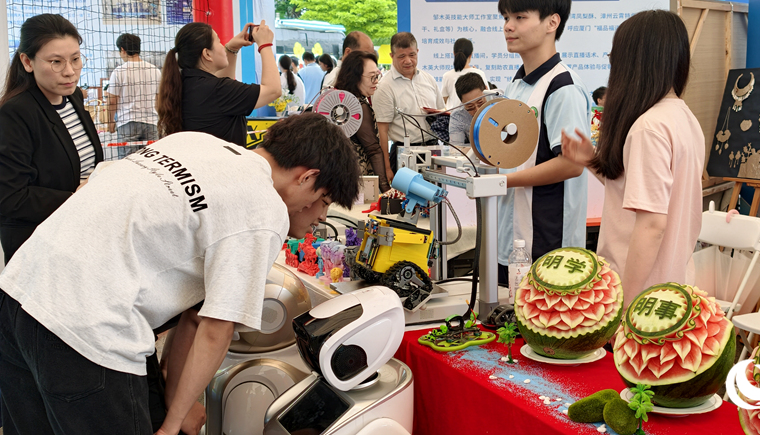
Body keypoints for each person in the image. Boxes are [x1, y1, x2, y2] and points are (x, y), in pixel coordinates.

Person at [0, 113, 360, 435]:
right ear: (308, 178)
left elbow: (193, 316)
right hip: (88, 327)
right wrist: (171, 426)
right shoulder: (264, 209)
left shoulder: (194, 141)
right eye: (325, 200)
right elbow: (216, 330)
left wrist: (179, 407)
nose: (320, 218)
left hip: (18, 290)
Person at [561, 9, 704, 306]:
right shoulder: (683, 116)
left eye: (615, 60)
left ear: (633, 64)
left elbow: (652, 224)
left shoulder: (648, 128)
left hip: (642, 294)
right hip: (673, 288)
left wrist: (627, 302)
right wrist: (591, 160)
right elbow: (644, 194)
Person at [495, 0, 591, 286]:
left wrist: (503, 181)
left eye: (520, 17)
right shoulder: (517, 83)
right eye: (506, 18)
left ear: (552, 22)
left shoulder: (563, 87)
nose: (509, 26)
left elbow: (571, 165)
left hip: (548, 242)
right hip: (512, 236)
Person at [0, 13, 103, 262]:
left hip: (78, 233)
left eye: (76, 59)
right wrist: (79, 199)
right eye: (56, 62)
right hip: (38, 244)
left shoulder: (73, 97)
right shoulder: (16, 112)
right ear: (27, 61)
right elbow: (11, 197)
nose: (69, 72)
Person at [156, 21, 281, 147]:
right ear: (207, 54)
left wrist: (232, 49)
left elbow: (220, 91)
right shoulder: (217, 90)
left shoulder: (185, 83)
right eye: (219, 42)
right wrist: (265, 45)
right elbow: (273, 90)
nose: (223, 46)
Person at [372, 32, 442, 177]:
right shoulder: (385, 86)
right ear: (392, 56)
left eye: (412, 55)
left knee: (437, 196)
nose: (408, 61)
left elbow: (442, 111)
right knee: (406, 198)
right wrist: (386, 169)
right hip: (404, 153)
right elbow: (382, 132)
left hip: (433, 149)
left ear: (417, 52)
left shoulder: (428, 79)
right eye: (401, 56)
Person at [333, 51, 391, 192]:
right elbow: (373, 150)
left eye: (377, 76)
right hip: (360, 182)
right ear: (355, 77)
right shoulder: (358, 106)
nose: (376, 81)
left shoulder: (339, 102)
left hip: (340, 178)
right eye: (372, 77)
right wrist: (386, 189)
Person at [441, 38, 488, 109]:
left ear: (454, 53)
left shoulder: (447, 76)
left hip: (452, 116)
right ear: (471, 54)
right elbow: (487, 97)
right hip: (476, 115)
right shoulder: (479, 73)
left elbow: (443, 101)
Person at [448, 72, 489, 144]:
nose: (478, 110)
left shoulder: (501, 102)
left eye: (480, 103)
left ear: (486, 90)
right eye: (470, 107)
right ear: (462, 103)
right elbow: (456, 148)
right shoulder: (458, 116)